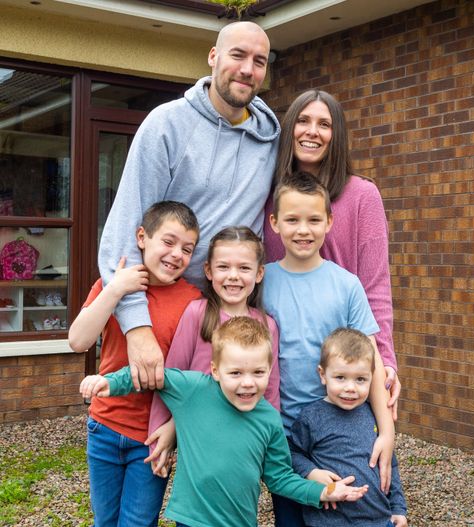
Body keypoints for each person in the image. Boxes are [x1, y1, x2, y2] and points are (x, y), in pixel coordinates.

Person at [98, 21, 280, 394]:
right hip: (158, 307)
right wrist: (137, 327)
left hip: (226, 311)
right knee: (140, 431)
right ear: (213, 57)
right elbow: (126, 226)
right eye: (237, 55)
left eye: (259, 61)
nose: (248, 68)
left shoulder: (270, 141)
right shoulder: (166, 125)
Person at [80, 316, 370, 527]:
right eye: (235, 374)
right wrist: (108, 383)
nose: (247, 383)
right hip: (191, 519)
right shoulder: (194, 389)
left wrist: (323, 492)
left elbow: (280, 478)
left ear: (270, 369)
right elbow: (150, 376)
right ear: (216, 371)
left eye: (258, 372)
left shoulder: (269, 419)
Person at [262, 171, 395, 527]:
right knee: (290, 519)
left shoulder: (346, 285)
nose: (303, 230)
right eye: (292, 219)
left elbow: (373, 358)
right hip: (287, 436)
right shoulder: (262, 281)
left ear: (329, 222)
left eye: (313, 220)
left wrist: (386, 431)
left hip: (342, 433)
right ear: (274, 223)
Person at [263, 90, 401, 418]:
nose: (312, 131)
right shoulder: (269, 196)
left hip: (345, 364)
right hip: (285, 372)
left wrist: (384, 360)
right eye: (303, 121)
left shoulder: (362, 196)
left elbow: (375, 286)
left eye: (324, 124)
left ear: (335, 135)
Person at [69, 201, 201, 527]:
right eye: (168, 242)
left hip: (152, 437)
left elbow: (192, 377)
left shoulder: (193, 302)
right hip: (105, 426)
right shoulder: (113, 285)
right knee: (105, 520)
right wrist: (115, 289)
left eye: (187, 249)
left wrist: (172, 431)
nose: (176, 255)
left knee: (138, 523)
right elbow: (78, 340)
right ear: (142, 237)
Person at [146, 226, 281, 472]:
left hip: (242, 436)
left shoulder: (267, 325)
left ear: (259, 273)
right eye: (223, 267)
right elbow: (170, 377)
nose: (233, 276)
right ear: (208, 270)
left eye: (244, 268)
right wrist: (162, 431)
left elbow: (270, 392)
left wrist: (269, 447)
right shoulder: (197, 314)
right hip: (198, 436)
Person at [289, 327, 408, 527]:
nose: (350, 388)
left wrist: (398, 508)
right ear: (323, 374)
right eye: (340, 377)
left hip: (379, 520)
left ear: (372, 377)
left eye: (360, 379)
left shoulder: (374, 416)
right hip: (330, 521)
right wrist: (311, 472)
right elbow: (292, 453)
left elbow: (389, 465)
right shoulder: (312, 417)